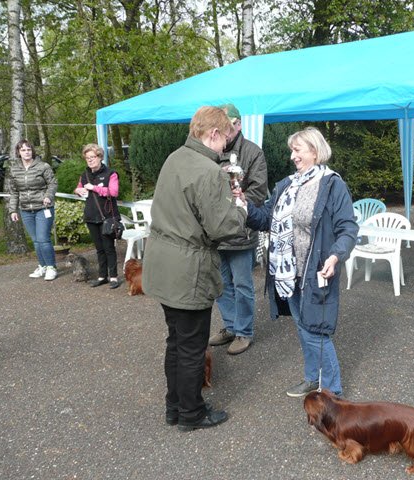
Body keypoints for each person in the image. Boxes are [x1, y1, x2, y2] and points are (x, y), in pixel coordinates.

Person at [142, 106, 248, 431]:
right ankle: (192, 413)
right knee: (191, 348)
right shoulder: (207, 169)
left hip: (162, 264)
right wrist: (240, 208)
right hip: (188, 269)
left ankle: (174, 407)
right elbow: (222, 227)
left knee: (176, 341)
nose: (226, 147)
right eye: (225, 139)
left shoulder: (175, 157)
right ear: (213, 134)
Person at [241, 126, 358, 398]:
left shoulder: (332, 185)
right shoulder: (287, 185)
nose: (293, 156)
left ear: (315, 152)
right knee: (303, 327)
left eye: (297, 150)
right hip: (287, 273)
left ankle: (332, 392)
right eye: (292, 150)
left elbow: (348, 228)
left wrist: (335, 254)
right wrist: (244, 205)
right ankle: (311, 378)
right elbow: (266, 220)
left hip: (316, 270)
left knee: (316, 331)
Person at [208, 104, 268, 355]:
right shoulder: (210, 151)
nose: (224, 131)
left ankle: (244, 332)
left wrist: (235, 203)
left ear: (239, 124)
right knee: (221, 284)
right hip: (216, 232)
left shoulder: (253, 152)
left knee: (243, 285)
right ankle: (231, 326)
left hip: (241, 232)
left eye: (228, 126)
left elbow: (259, 192)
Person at [7, 139, 58, 281]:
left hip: (43, 207)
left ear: (32, 151)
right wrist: (13, 210)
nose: (26, 152)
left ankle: (51, 267)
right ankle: (42, 265)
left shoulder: (43, 166)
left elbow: (53, 183)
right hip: (25, 209)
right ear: (18, 152)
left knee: (43, 238)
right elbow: (13, 192)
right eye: (23, 150)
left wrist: (48, 196)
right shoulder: (14, 169)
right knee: (36, 240)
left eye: (28, 149)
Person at [74, 144, 121, 289]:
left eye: (93, 157)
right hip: (91, 216)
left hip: (106, 217)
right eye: (87, 158)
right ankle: (102, 276)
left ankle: (113, 277)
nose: (90, 160)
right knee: (99, 248)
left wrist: (94, 188)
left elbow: (113, 192)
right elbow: (78, 188)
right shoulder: (85, 174)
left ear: (100, 157)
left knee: (109, 248)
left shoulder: (110, 173)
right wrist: (78, 191)